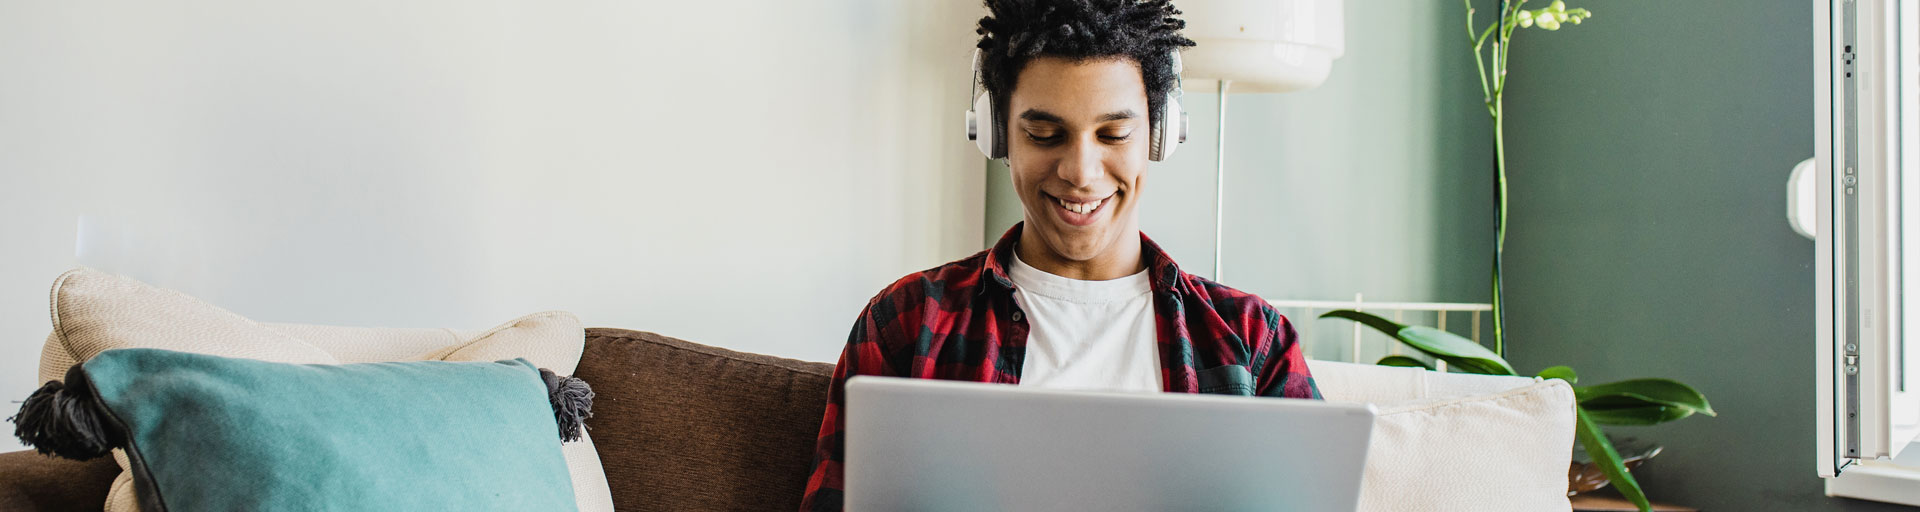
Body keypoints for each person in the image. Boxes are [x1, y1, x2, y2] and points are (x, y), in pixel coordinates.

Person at [799, 1, 1318, 509]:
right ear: (996, 132)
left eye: (1113, 134)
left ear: (1160, 134)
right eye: (1045, 134)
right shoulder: (907, 322)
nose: (1081, 172)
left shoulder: (1253, 341)